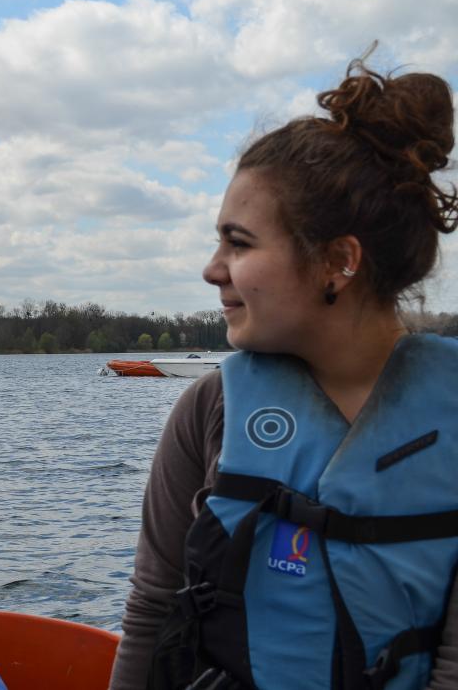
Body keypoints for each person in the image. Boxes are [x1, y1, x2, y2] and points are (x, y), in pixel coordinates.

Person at [109, 56, 458, 690]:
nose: (212, 269)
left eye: (238, 243)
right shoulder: (209, 410)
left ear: (339, 261)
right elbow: (152, 612)